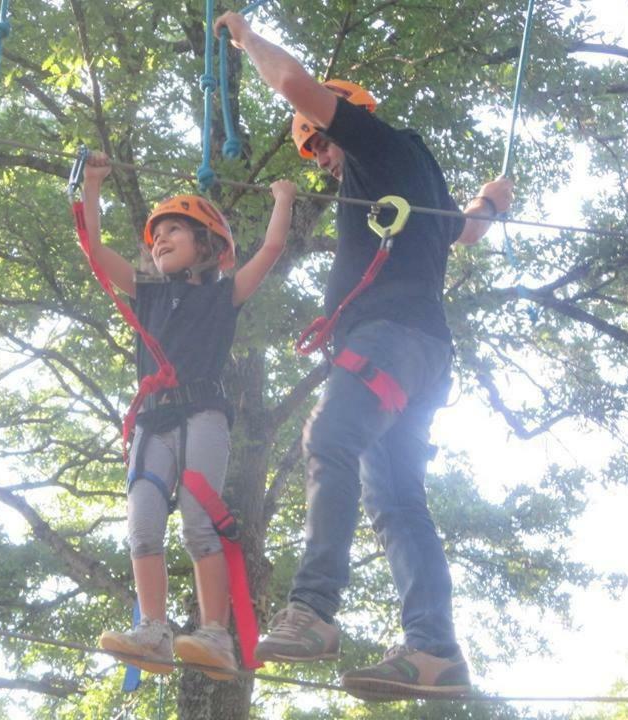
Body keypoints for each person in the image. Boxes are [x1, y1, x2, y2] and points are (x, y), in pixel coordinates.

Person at [213, 12, 515, 700]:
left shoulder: (379, 144)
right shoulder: (407, 174)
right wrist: (492, 203)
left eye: (321, 140)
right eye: (311, 151)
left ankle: (313, 610)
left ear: (348, 116)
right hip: (420, 356)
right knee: (397, 500)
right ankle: (434, 651)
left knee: (330, 435)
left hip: (390, 339)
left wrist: (245, 39)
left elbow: (291, 81)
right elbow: (463, 231)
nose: (320, 157)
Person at [82, 151, 296, 680]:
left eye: (175, 231)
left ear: (207, 245)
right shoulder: (147, 292)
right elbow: (92, 247)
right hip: (153, 422)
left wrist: (284, 200)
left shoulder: (225, 296)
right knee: (143, 526)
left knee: (200, 525)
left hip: (202, 414)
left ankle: (216, 635)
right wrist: (90, 186)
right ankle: (152, 630)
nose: (160, 240)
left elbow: (270, 249)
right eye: (157, 235)